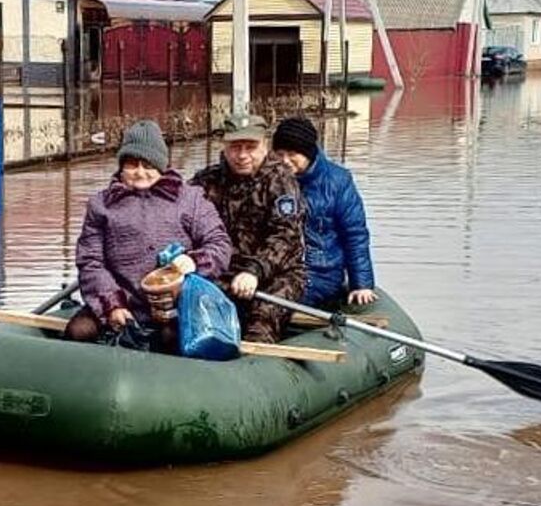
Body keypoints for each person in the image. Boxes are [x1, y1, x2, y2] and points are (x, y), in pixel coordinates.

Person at [67, 120, 232, 345]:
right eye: (132, 164)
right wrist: (113, 304)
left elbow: (219, 244)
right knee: (78, 331)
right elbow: (90, 262)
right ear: (121, 167)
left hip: (175, 304)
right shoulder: (100, 205)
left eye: (148, 165)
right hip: (123, 301)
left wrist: (193, 261)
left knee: (171, 338)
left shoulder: (191, 199)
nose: (140, 172)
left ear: (161, 166)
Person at [191, 115, 306, 343]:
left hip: (276, 275)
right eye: (235, 147)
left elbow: (285, 236)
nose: (242, 156)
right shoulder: (207, 180)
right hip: (223, 274)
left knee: (261, 324)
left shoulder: (281, 181)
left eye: (250, 147)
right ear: (224, 146)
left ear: (265, 145)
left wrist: (254, 271)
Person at [271, 115, 378, 309]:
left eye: (292, 153)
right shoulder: (270, 180)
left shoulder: (338, 182)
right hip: (276, 268)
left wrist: (361, 284)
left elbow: (355, 234)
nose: (285, 161)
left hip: (319, 271)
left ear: (308, 152)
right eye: (280, 153)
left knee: (279, 301)